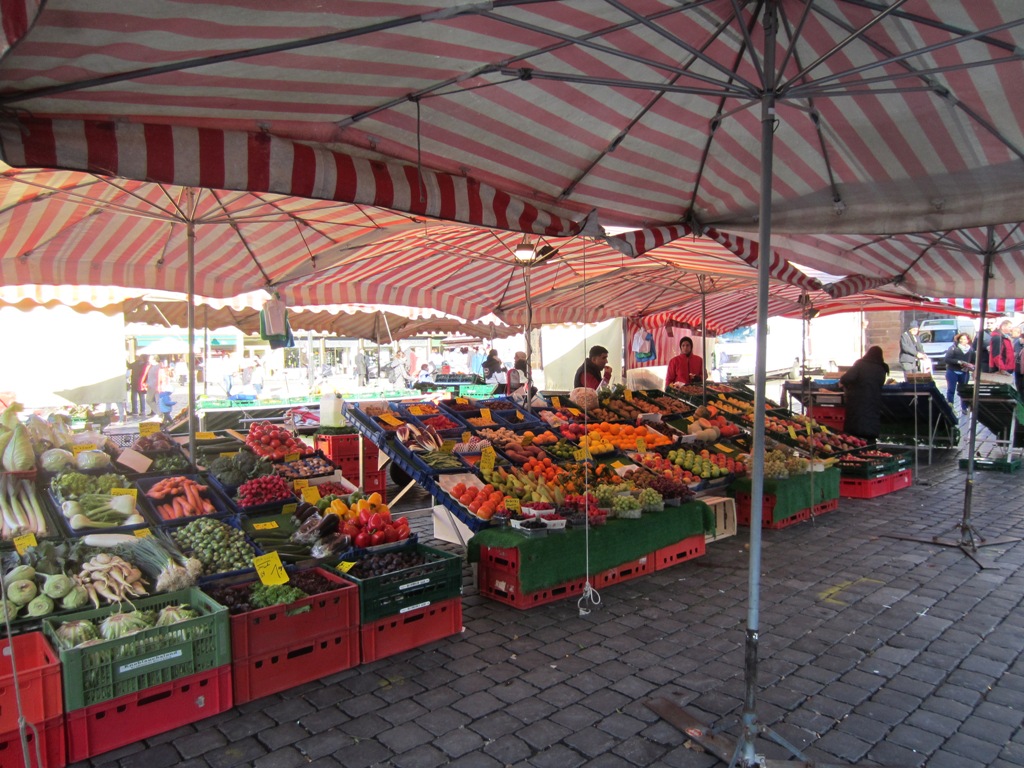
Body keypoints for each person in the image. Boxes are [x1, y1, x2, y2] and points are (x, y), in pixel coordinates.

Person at [839, 345, 889, 444]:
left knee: (854, 438)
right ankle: (870, 451)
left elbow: (846, 378)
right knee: (869, 433)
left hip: (857, 403)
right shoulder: (882, 368)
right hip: (874, 404)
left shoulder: (860, 365)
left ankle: (856, 454)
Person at [943, 332, 975, 414]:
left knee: (963, 390)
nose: (962, 341)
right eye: (961, 339)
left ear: (968, 340)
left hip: (964, 372)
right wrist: (958, 362)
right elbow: (947, 359)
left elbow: (973, 361)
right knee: (951, 389)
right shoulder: (953, 348)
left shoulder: (970, 350)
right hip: (952, 371)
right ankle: (950, 407)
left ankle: (964, 408)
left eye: (965, 339)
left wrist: (970, 366)